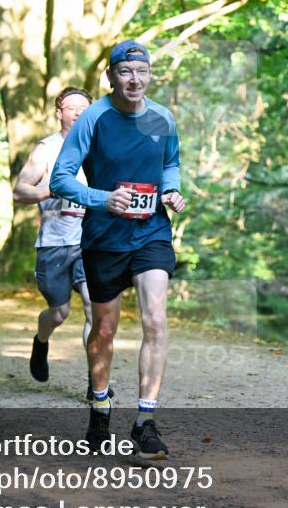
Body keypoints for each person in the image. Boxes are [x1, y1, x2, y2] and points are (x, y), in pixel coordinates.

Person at [50, 40, 185, 460]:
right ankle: (100, 402)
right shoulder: (93, 118)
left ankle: (145, 421)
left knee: (156, 320)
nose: (134, 79)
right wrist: (101, 198)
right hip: (104, 236)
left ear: (150, 75)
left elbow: (170, 163)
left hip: (151, 233)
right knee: (104, 330)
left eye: (141, 72)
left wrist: (173, 189)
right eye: (126, 72)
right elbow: (61, 179)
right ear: (111, 76)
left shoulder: (162, 118)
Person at [13, 87, 112, 400]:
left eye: (85, 107)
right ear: (59, 112)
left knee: (92, 311)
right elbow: (19, 191)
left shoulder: (100, 148)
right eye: (72, 107)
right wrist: (50, 191)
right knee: (59, 312)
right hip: (54, 243)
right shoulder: (47, 149)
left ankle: (95, 381)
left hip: (90, 241)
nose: (79, 112)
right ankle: (41, 342)